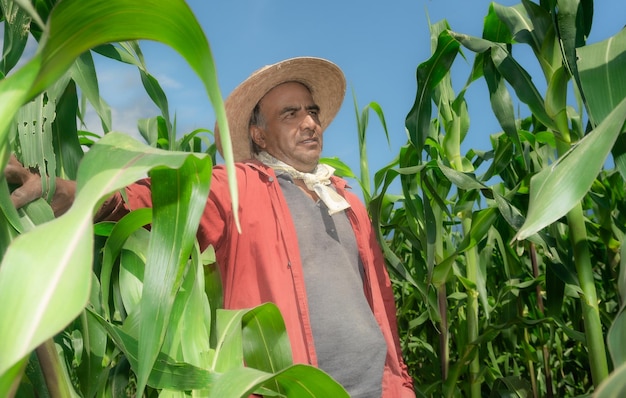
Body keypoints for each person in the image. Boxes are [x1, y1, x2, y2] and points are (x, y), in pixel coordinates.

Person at [6, 57, 415, 397]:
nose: (309, 122)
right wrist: (67, 192)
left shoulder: (347, 201)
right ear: (258, 133)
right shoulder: (234, 188)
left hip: (377, 388)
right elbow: (155, 199)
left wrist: (403, 385)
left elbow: (380, 300)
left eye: (312, 111)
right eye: (291, 113)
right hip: (288, 387)